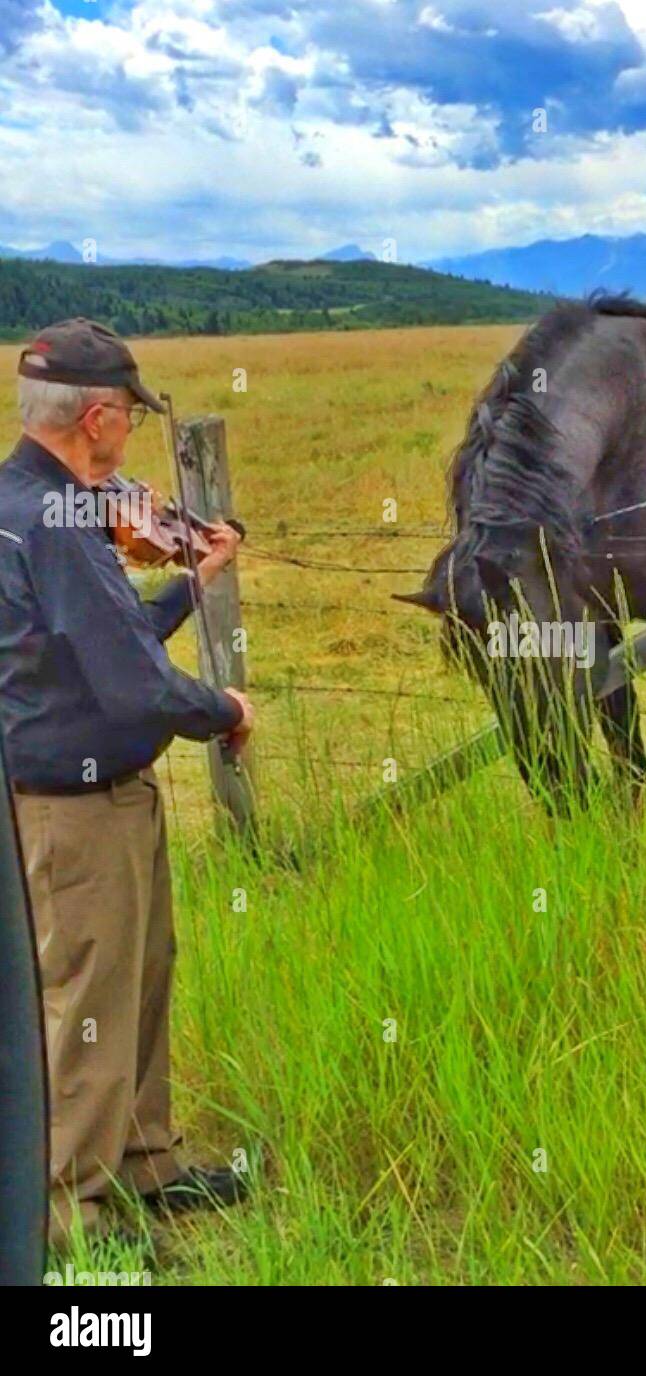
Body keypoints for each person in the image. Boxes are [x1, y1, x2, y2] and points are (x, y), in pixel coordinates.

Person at [0, 317, 255, 1250]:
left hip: (91, 793)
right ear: (99, 417)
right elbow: (136, 685)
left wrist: (188, 581)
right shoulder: (59, 522)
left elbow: (108, 640)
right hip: (75, 812)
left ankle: (146, 1162)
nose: (131, 439)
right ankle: (72, 1220)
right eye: (130, 422)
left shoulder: (22, 500)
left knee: (140, 980)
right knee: (88, 1009)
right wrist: (224, 711)